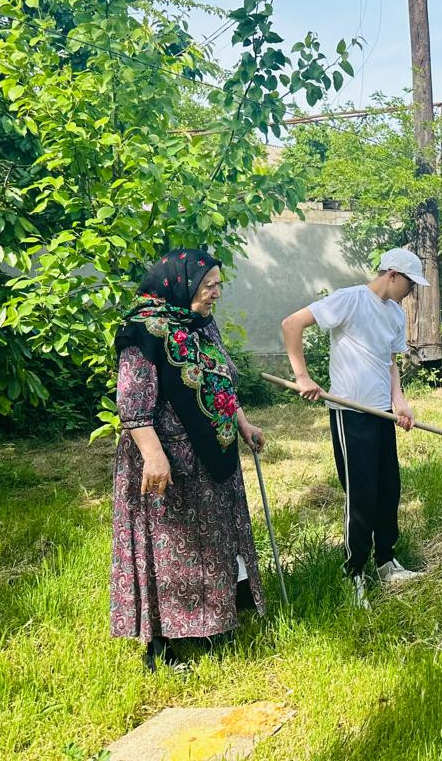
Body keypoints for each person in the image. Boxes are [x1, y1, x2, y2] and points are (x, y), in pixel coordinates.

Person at [111, 248, 267, 672]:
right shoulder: (143, 331)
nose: (216, 293)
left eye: (218, 285)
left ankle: (207, 625)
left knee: (208, 545)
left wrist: (242, 423)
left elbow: (220, 383)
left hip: (210, 456)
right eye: (210, 285)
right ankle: (161, 646)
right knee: (167, 549)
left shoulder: (200, 324)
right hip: (168, 461)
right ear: (182, 284)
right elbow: (133, 407)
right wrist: (154, 457)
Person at [280, 247, 428, 607]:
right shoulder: (349, 300)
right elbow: (291, 323)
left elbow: (389, 361)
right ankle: (355, 571)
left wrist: (400, 399)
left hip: (381, 413)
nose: (412, 291)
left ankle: (385, 561)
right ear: (392, 274)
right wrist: (303, 376)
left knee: (388, 489)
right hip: (350, 412)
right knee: (361, 495)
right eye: (410, 283)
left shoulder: (394, 314)